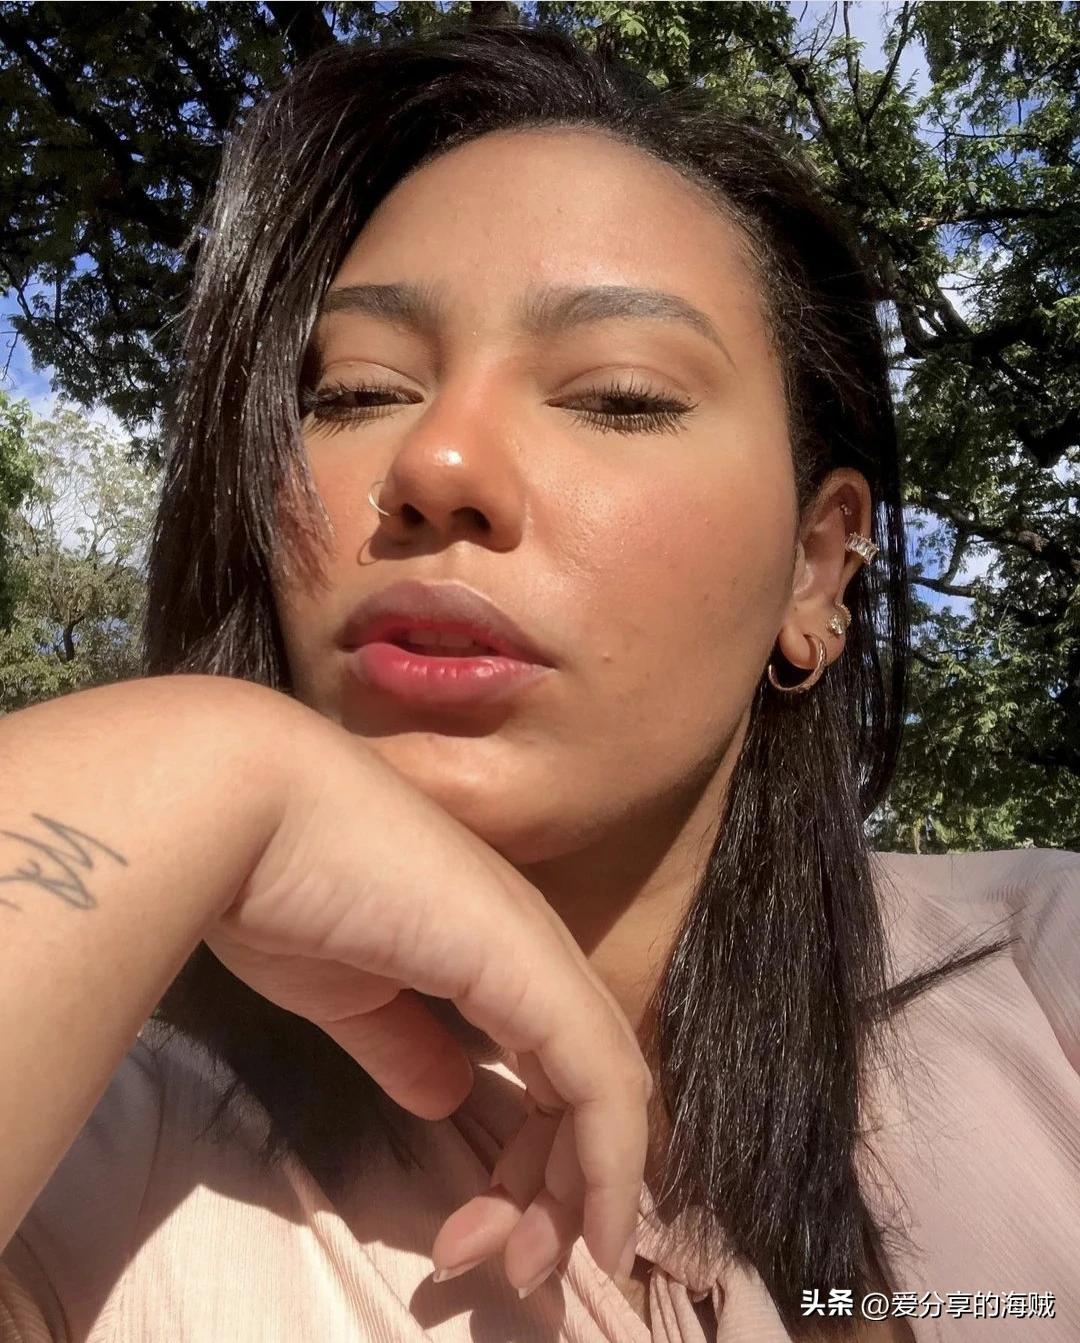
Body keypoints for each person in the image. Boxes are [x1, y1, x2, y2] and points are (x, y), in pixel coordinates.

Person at [1, 21, 1077, 1343]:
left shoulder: (1045, 985)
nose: (435, 464)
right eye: (356, 392)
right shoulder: (96, 1158)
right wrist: (188, 767)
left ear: (814, 568)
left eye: (619, 396)